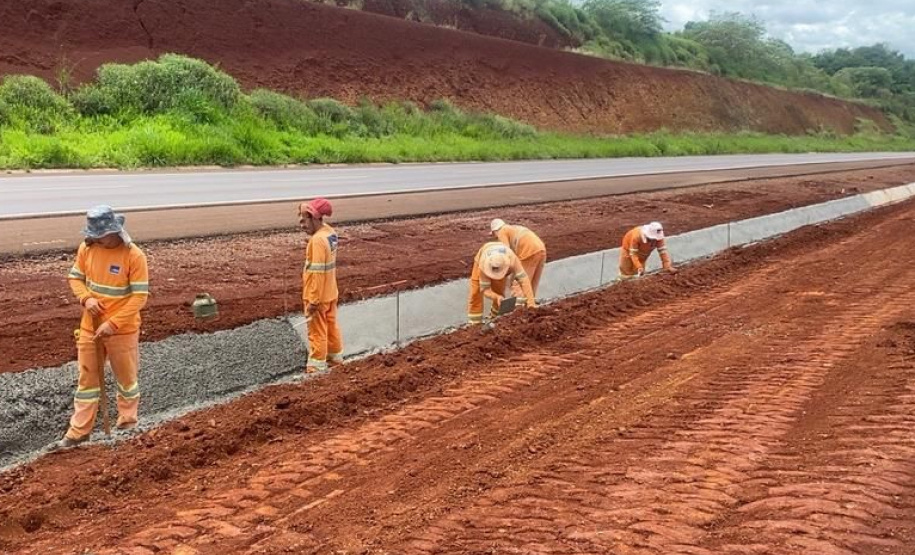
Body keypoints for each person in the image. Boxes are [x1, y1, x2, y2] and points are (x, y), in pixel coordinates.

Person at [60, 205, 149, 448]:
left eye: (102, 235)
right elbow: (75, 278)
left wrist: (114, 322)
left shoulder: (134, 256)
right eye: (95, 235)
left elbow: (140, 297)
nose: (98, 239)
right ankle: (79, 431)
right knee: (87, 380)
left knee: (126, 379)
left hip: (122, 330)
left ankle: (127, 423)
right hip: (90, 326)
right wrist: (86, 299)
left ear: (115, 231)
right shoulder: (86, 249)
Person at [299, 198, 343, 373]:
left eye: (304, 220)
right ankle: (335, 359)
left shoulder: (317, 241)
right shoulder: (330, 233)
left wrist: (313, 301)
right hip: (331, 292)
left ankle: (316, 368)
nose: (302, 225)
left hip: (318, 295)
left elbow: (317, 272)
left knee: (317, 331)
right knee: (331, 327)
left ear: (315, 218)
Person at [467, 241, 537, 324]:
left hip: (501, 257)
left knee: (499, 290)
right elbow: (485, 290)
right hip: (484, 254)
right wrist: (496, 297)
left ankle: (495, 317)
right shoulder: (483, 265)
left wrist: (531, 304)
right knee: (476, 292)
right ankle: (475, 323)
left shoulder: (512, 260)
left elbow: (524, 280)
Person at [490, 218, 547, 303]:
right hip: (541, 249)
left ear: (495, 231)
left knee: (520, 283)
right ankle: (531, 305)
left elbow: (506, 253)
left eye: (494, 235)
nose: (496, 237)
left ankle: (518, 308)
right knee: (530, 284)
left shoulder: (501, 231)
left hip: (529, 251)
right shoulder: (513, 229)